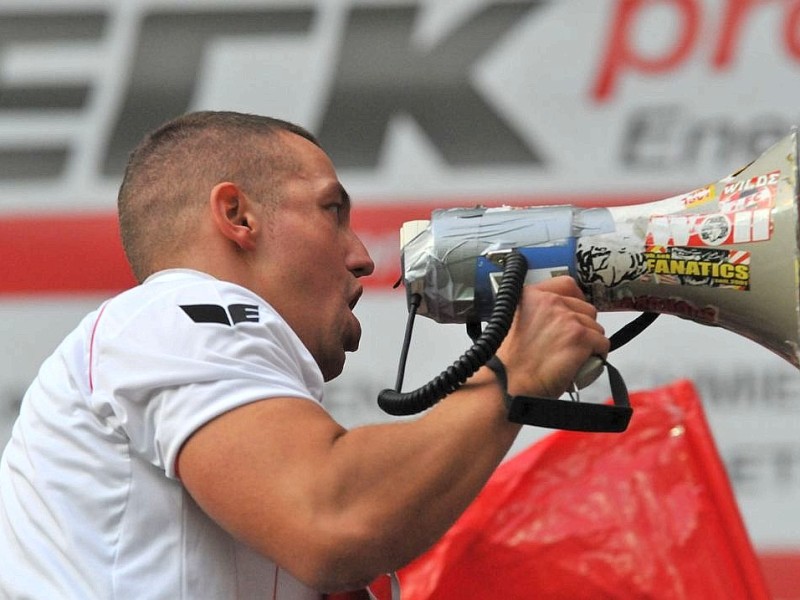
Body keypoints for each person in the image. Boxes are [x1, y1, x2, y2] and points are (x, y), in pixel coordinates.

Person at [0, 111, 609, 599]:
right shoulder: (175, 312)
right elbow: (334, 518)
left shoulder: (216, 383)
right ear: (238, 216)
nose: (363, 258)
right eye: (331, 211)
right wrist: (515, 371)